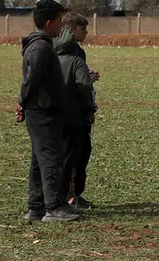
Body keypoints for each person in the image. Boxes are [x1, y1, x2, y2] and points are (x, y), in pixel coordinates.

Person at [16, 0, 81, 222]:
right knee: (51, 159)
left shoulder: (41, 45)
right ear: (49, 22)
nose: (62, 27)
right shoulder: (41, 47)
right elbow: (31, 80)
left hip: (40, 110)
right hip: (43, 112)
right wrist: (23, 102)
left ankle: (36, 208)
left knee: (39, 160)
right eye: (60, 22)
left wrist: (23, 102)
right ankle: (53, 207)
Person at [54, 13, 98, 211]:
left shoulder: (58, 50)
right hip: (75, 112)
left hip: (61, 112)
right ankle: (70, 196)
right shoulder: (74, 54)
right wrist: (90, 105)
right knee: (75, 155)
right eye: (83, 29)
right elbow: (80, 84)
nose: (86, 32)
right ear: (71, 30)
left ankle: (73, 194)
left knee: (76, 153)